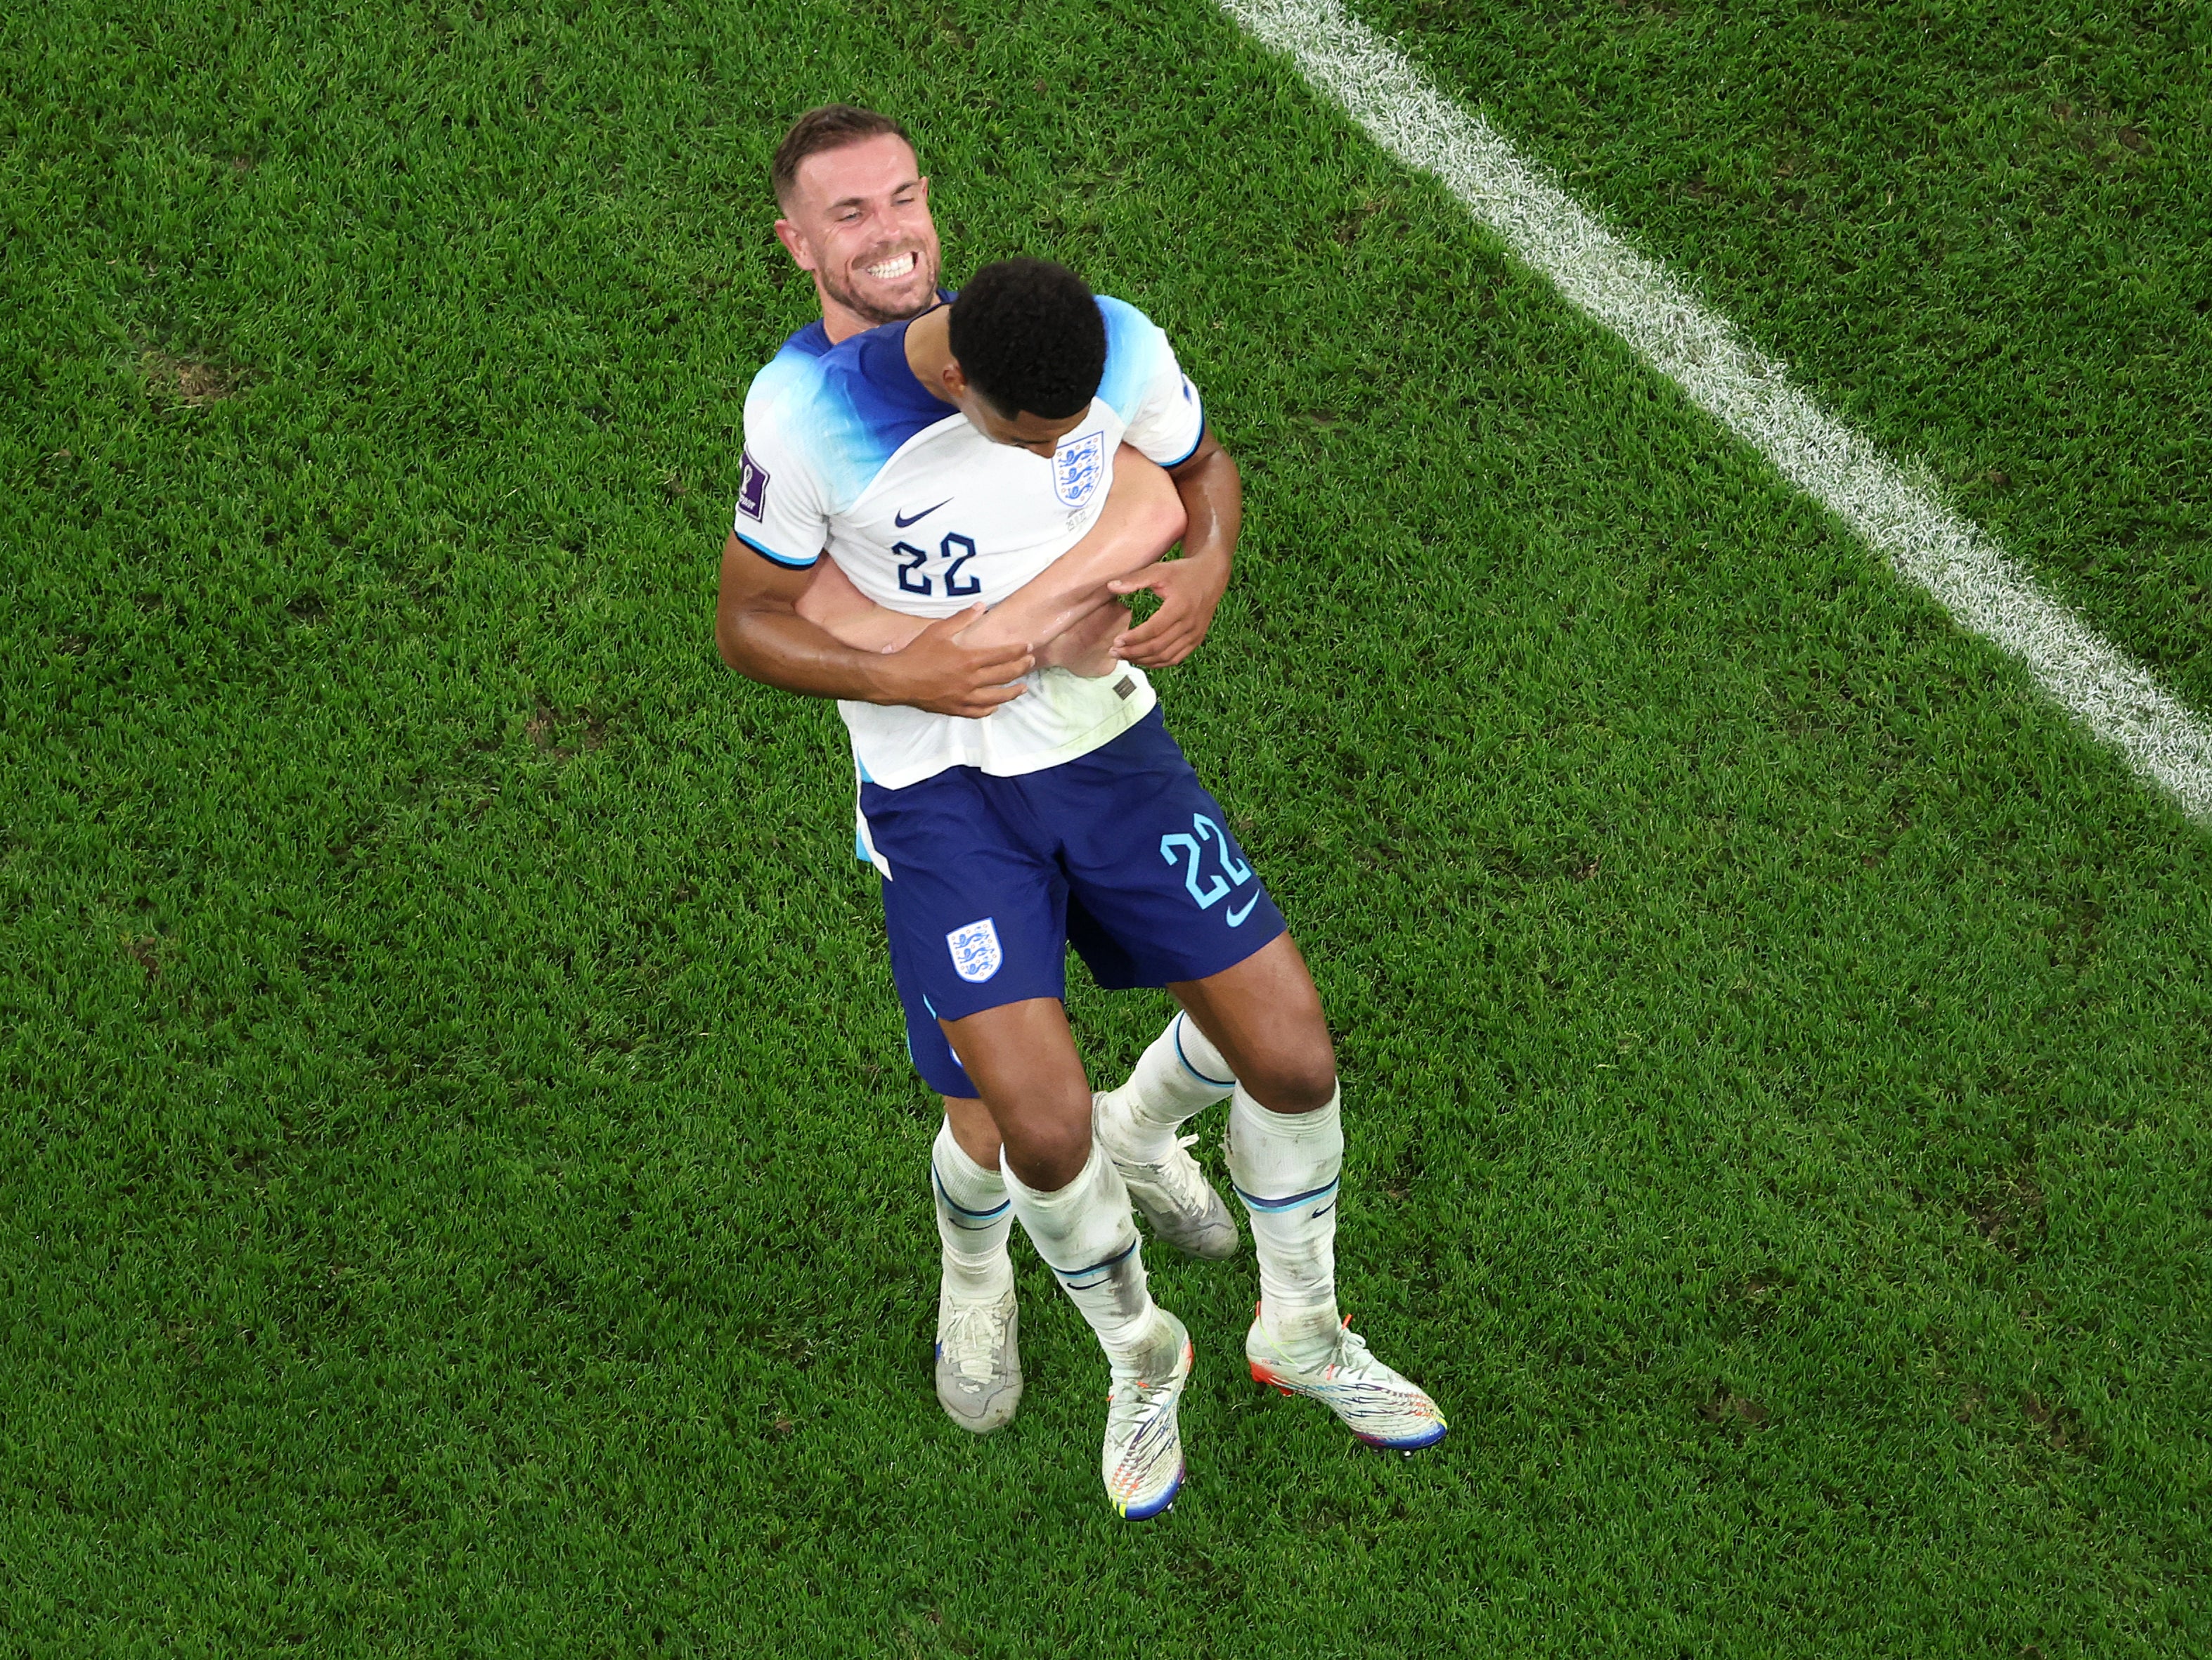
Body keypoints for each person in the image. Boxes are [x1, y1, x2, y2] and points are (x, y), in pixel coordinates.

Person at [720, 213, 1444, 1514]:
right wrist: (912, 665)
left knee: (1290, 1050)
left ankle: (1301, 1329)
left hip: (1104, 753)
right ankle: (1118, 1344)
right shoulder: (815, 417)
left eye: (903, 202)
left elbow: (1184, 474)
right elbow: (758, 617)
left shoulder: (1101, 349)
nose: (1061, 446)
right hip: (937, 802)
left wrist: (1205, 560)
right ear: (959, 386)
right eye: (848, 214)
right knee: (1020, 1129)